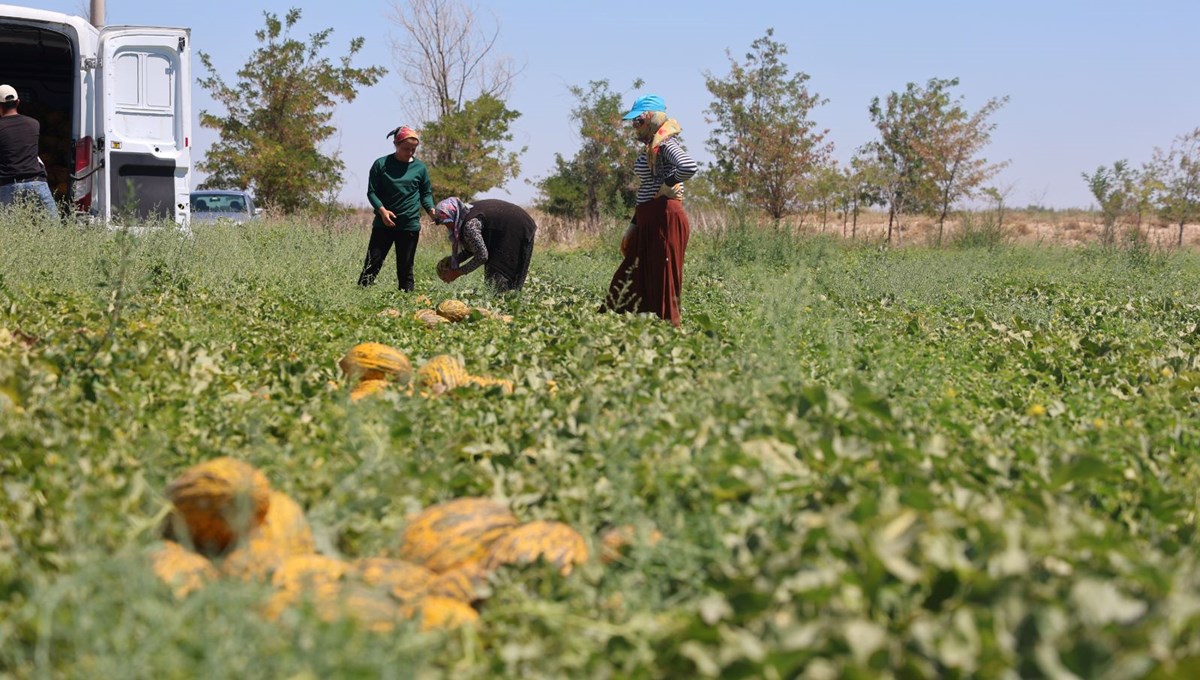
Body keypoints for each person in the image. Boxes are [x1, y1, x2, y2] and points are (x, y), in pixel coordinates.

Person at [601, 94, 698, 327]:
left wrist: (668, 184)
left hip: (664, 217)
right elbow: (646, 187)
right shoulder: (652, 146)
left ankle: (668, 329)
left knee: (663, 275)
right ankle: (626, 324)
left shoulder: (666, 143)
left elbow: (688, 166)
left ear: (652, 119)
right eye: (634, 122)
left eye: (638, 121)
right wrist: (633, 225)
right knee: (633, 272)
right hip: (648, 218)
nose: (635, 127)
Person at [357, 125, 436, 291]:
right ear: (396, 144)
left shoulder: (420, 168)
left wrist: (431, 211)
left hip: (409, 226)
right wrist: (382, 210)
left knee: (406, 269)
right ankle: (361, 298)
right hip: (383, 225)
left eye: (413, 149)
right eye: (405, 148)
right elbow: (372, 192)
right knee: (372, 264)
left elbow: (425, 194)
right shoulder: (381, 164)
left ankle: (406, 306)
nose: (409, 152)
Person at [433, 197, 537, 292]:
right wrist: (455, 260)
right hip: (512, 228)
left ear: (453, 215)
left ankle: (507, 306)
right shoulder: (463, 214)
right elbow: (474, 247)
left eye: (446, 222)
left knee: (499, 280)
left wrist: (457, 273)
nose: (446, 226)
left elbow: (482, 256)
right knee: (500, 285)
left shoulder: (469, 226)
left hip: (515, 230)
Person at [0, 84, 58, 220]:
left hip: (9, 185)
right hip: (37, 183)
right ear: (18, 102)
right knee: (53, 230)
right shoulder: (34, 124)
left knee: (6, 234)